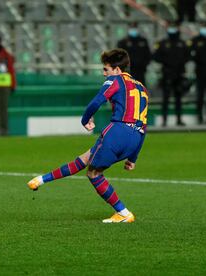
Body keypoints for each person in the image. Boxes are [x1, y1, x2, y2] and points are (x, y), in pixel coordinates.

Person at [27, 49, 148, 224]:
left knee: (93, 173)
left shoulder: (115, 80)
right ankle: (41, 180)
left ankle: (123, 213)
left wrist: (85, 119)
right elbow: (144, 125)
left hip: (118, 131)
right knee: (85, 159)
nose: (104, 73)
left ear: (117, 70)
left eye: (106, 69)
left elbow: (96, 101)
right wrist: (133, 157)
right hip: (136, 136)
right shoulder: (141, 88)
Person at [153, 22, 191, 126]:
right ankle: (164, 120)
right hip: (167, 74)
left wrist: (179, 63)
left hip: (179, 74)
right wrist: (167, 62)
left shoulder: (182, 43)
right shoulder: (162, 43)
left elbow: (188, 56)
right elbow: (156, 56)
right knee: (166, 98)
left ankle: (179, 119)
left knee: (178, 98)